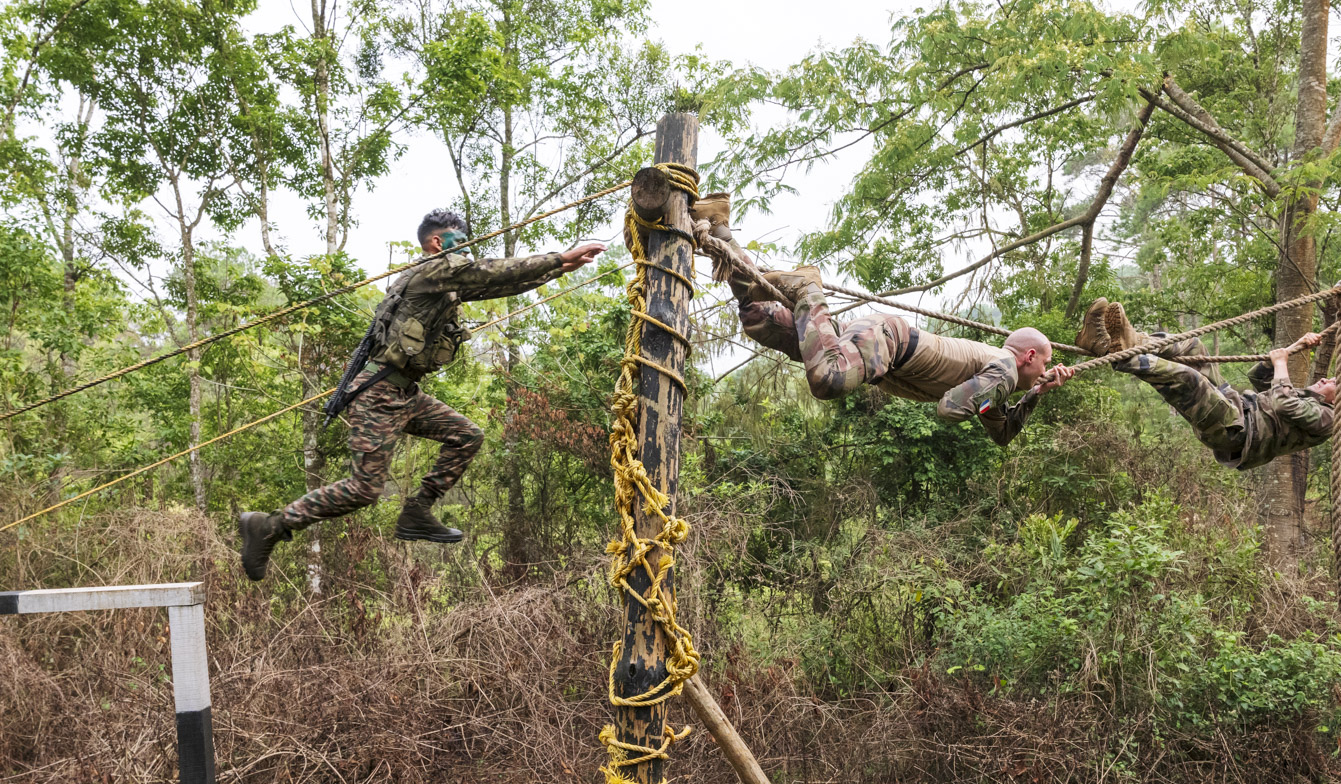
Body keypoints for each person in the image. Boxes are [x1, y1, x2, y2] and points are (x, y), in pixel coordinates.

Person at [238, 209, 605, 581]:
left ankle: (417, 511)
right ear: (437, 242)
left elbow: (498, 284)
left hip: (405, 393)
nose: (466, 250)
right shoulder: (431, 271)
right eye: (460, 242)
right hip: (379, 392)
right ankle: (268, 526)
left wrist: (556, 271)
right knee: (364, 489)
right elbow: (491, 271)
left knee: (467, 435)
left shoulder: (443, 281)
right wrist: (559, 257)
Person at [691, 193, 1076, 446]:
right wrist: (1008, 389)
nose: (1044, 370)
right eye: (1043, 363)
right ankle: (808, 287)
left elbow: (1000, 431)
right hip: (886, 343)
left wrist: (1034, 394)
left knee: (760, 318)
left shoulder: (1000, 377)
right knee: (829, 379)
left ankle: (719, 226)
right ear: (1028, 356)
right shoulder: (1006, 368)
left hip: (877, 343)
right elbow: (950, 408)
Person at [1076, 297, 1341, 471]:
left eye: (1333, 382)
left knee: (1189, 378)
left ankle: (1118, 352)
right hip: (1236, 406)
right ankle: (1121, 342)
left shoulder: (1326, 420)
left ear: (1336, 401)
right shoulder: (1307, 399)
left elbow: (1283, 404)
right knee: (1193, 347)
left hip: (1235, 432)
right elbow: (1258, 378)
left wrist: (1284, 363)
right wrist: (1291, 348)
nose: (1325, 378)